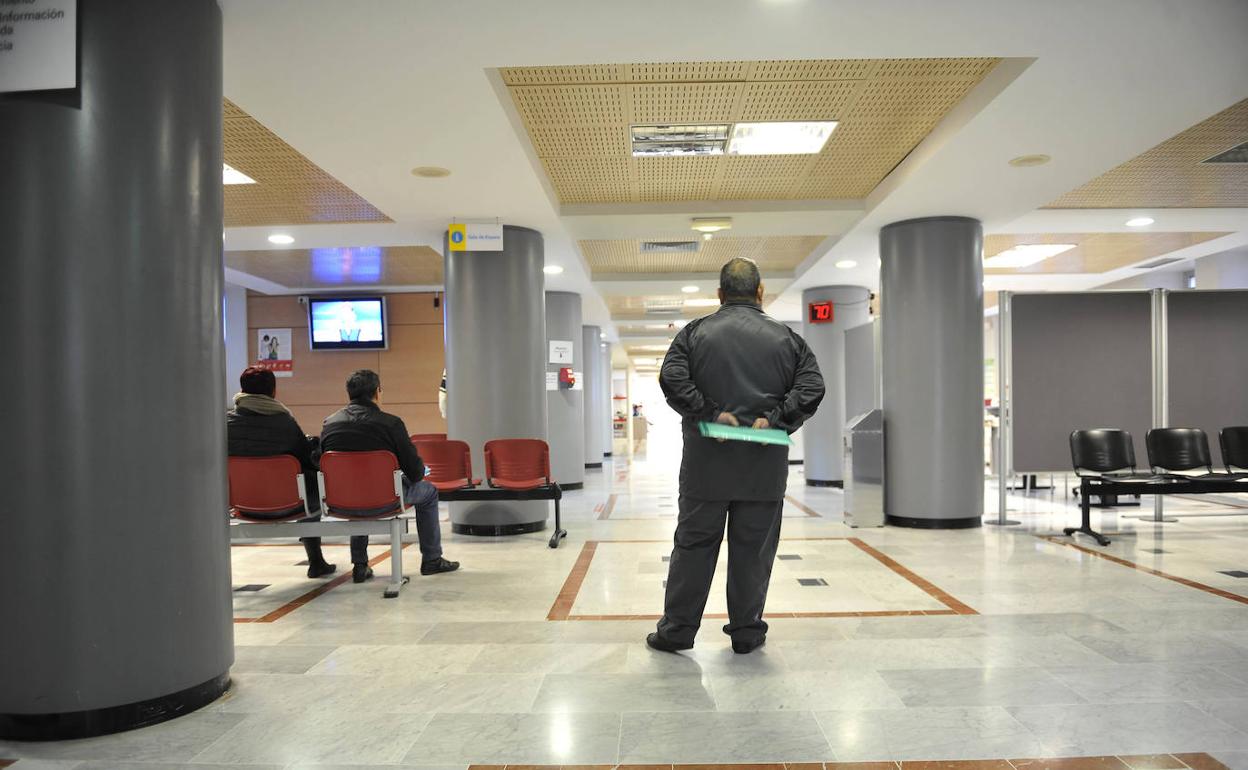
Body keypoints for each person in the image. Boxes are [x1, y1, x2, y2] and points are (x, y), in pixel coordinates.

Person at [647, 257, 825, 655]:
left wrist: (709, 413)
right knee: (752, 553)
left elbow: (672, 379)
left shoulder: (694, 334)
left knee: (693, 549)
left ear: (720, 294)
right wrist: (776, 420)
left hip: (705, 468)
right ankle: (746, 633)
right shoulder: (788, 339)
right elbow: (812, 388)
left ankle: (676, 632)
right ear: (760, 293)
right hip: (763, 469)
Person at [320, 369, 459, 582]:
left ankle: (360, 564)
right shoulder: (391, 424)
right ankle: (432, 559)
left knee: (355, 489)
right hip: (386, 499)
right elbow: (415, 472)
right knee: (429, 492)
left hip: (341, 501)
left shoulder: (330, 424)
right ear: (377, 392)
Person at [226, 366, 341, 579]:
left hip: (242, 506)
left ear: (242, 390)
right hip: (289, 505)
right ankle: (315, 561)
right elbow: (306, 458)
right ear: (273, 391)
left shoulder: (226, 424)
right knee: (313, 481)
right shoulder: (284, 422)